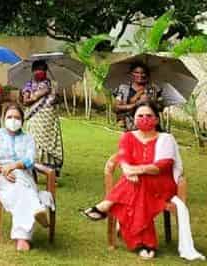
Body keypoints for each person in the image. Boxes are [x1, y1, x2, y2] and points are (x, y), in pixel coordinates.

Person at [82, 103, 203, 261]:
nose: (144, 119)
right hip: (137, 183)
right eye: (140, 116)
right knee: (138, 186)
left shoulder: (165, 139)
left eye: (148, 116)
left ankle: (106, 205)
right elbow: (124, 158)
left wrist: (136, 171)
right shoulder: (128, 136)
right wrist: (127, 170)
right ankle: (146, 243)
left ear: (157, 119)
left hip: (162, 184)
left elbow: (163, 165)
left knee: (140, 181)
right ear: (134, 119)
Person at [0, 104, 52, 252]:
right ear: (3, 119)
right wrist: (2, 169)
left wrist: (14, 166)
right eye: (9, 117)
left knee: (22, 188)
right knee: (24, 193)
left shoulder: (28, 138)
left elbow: (30, 159)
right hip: (1, 176)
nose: (13, 120)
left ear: (22, 120)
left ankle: (22, 237)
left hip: (23, 174)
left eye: (17, 117)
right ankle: (36, 211)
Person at [21, 60, 63, 176]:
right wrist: (35, 96)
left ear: (46, 71)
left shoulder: (52, 84)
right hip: (34, 118)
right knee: (33, 143)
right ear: (33, 71)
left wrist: (56, 98)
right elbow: (26, 101)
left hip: (48, 118)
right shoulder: (28, 85)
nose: (40, 72)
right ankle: (33, 170)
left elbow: (57, 100)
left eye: (42, 69)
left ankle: (51, 173)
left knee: (49, 144)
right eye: (37, 69)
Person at [114, 62, 163, 131]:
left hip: (150, 127)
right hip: (130, 127)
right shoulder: (123, 89)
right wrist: (137, 104)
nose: (140, 75)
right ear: (131, 73)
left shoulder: (154, 89)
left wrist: (150, 102)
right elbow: (116, 108)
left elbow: (160, 108)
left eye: (143, 73)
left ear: (147, 74)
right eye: (136, 72)